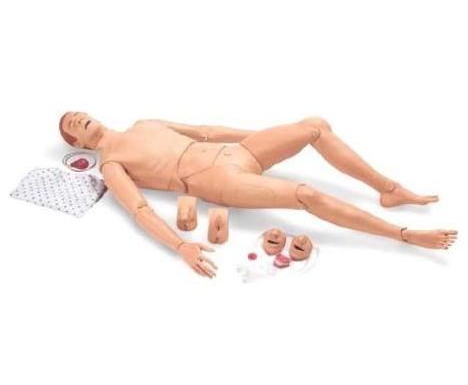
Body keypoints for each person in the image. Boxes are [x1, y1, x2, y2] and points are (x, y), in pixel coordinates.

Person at [59, 112, 458, 278]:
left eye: (77, 113)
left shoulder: (143, 123)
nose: (77, 118)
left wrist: (266, 137)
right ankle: (403, 234)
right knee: (305, 193)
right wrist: (181, 246)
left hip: (234, 152)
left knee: (313, 125)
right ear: (78, 143)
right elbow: (139, 209)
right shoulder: (112, 165)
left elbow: (205, 132)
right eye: (71, 124)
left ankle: (389, 190)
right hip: (214, 178)